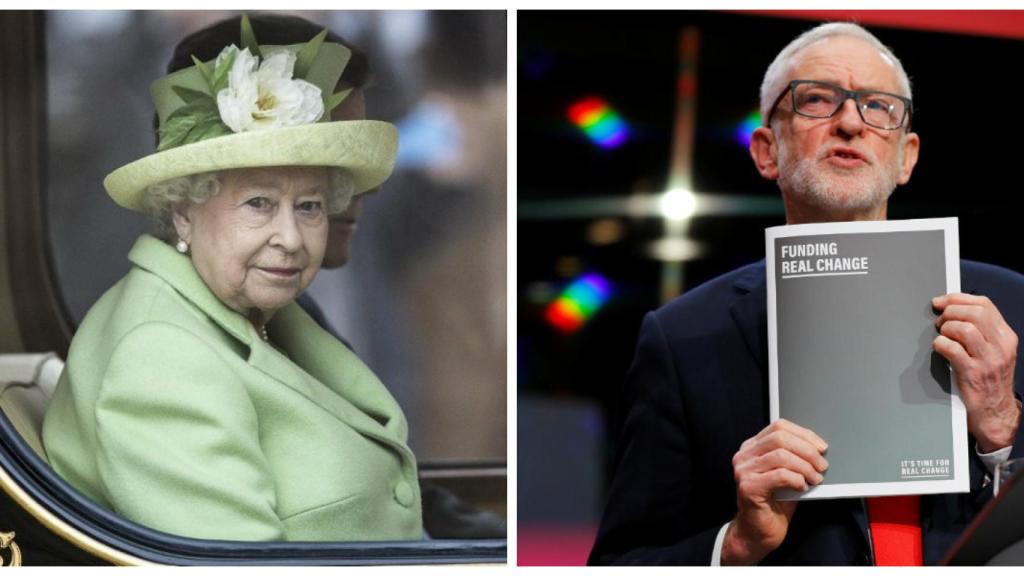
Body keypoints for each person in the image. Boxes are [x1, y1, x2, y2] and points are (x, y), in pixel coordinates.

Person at [589, 22, 1024, 566]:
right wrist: (739, 543)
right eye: (817, 100)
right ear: (766, 150)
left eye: (878, 106)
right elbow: (623, 560)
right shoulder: (683, 338)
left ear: (907, 156)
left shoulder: (1012, 308)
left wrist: (1003, 431)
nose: (849, 122)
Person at [41, 16, 423, 542]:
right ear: (182, 210)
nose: (290, 237)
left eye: (309, 206)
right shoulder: (160, 356)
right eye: (259, 203)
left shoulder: (260, 310)